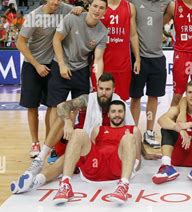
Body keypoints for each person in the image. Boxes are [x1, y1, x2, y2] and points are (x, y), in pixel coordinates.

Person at [10, 73, 139, 194]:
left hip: (103, 151)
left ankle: (35, 181)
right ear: (97, 88)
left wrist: (143, 153)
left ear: (114, 90)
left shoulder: (119, 105)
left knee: (65, 160)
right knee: (64, 119)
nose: (103, 93)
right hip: (83, 142)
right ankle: (39, 160)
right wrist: (67, 122)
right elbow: (62, 106)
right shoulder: (89, 99)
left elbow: (133, 134)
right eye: (101, 89)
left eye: (107, 89)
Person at [16, 0, 82, 157]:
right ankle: (35, 143)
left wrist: (79, 7)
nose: (56, 3)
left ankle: (49, 142)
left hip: (52, 65)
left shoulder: (64, 9)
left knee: (51, 106)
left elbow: (80, 11)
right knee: (32, 107)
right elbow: (20, 43)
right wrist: (36, 64)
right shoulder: (34, 16)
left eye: (59, 0)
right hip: (33, 65)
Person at [52, 100, 139, 204]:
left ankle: (123, 185)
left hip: (118, 166)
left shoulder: (133, 130)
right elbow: (89, 149)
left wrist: (129, 154)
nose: (117, 114)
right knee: (78, 132)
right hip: (96, 165)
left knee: (129, 137)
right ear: (108, 114)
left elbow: (137, 159)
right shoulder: (98, 129)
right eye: (114, 111)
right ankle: (65, 185)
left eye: (120, 111)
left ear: (124, 114)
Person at [47, 0, 108, 126]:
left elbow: (98, 59)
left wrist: (99, 83)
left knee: (76, 108)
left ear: (105, 12)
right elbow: (56, 39)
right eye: (95, 6)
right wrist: (62, 65)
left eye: (101, 8)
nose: (97, 10)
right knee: (55, 106)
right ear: (89, 7)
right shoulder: (73, 18)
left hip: (81, 70)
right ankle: (51, 144)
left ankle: (70, 140)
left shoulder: (103, 31)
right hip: (60, 66)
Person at [127, 0, 171, 148]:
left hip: (158, 57)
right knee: (136, 97)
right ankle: (134, 132)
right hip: (138, 58)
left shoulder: (166, 1)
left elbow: (173, 14)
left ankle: (150, 131)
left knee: (153, 97)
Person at [152, 80, 192, 185]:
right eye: (190, 92)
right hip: (176, 157)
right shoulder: (177, 109)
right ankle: (166, 166)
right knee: (167, 127)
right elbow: (161, 120)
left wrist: (191, 124)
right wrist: (179, 129)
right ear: (186, 94)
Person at [91, 0, 140, 101]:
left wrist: (138, 59)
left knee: (120, 101)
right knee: (100, 100)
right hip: (101, 62)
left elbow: (133, 35)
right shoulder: (98, 7)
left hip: (123, 64)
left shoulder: (130, 7)